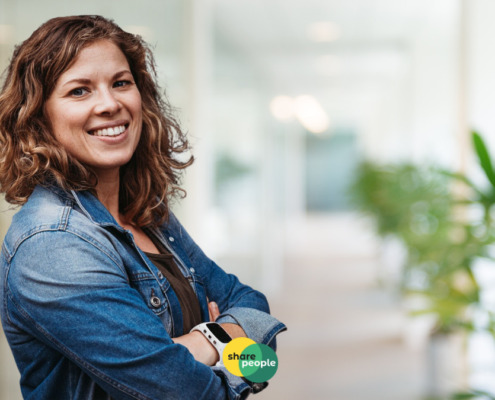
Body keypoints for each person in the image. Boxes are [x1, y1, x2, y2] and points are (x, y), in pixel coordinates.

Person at [0, 15, 286, 400]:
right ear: (39, 116)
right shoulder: (52, 246)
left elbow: (253, 306)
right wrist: (227, 344)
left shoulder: (147, 213)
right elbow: (193, 392)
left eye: (121, 83)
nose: (110, 104)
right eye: (79, 91)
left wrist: (202, 341)